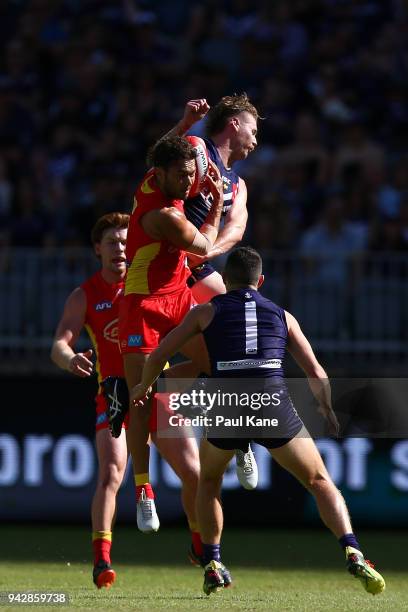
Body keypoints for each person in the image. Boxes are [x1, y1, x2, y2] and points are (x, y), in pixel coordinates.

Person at [131, 246, 386, 597]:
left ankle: (213, 562)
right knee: (320, 480)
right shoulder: (283, 315)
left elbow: (159, 353)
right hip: (272, 403)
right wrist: (326, 408)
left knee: (208, 481)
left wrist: (144, 387)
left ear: (226, 281)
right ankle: (353, 549)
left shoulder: (205, 312)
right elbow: (315, 371)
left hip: (228, 405)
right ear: (260, 281)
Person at [51, 212, 215, 590]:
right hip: (113, 392)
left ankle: (199, 546)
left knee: (193, 472)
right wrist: (68, 358)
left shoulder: (153, 288)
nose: (120, 248)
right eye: (112, 242)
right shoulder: (86, 294)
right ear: (97, 249)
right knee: (111, 474)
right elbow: (59, 343)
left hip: (157, 390)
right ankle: (101, 560)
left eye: (126, 242)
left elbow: (190, 326)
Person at [118, 136, 224, 533]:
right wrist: (216, 202)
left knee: (215, 363)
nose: (189, 181)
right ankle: (144, 489)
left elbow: (163, 147)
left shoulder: (152, 177)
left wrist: (187, 123)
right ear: (161, 175)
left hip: (178, 299)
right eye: (182, 175)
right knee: (140, 399)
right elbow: (206, 247)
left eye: (191, 173)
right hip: (142, 306)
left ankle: (239, 440)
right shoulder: (164, 216)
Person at [164, 94, 260, 488]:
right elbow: (156, 167)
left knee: (232, 340)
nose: (256, 140)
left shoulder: (238, 185)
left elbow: (235, 231)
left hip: (194, 268)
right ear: (234, 123)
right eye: (253, 129)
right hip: (158, 268)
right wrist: (185, 124)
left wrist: (203, 251)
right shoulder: (198, 150)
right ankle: (153, 384)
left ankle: (237, 438)